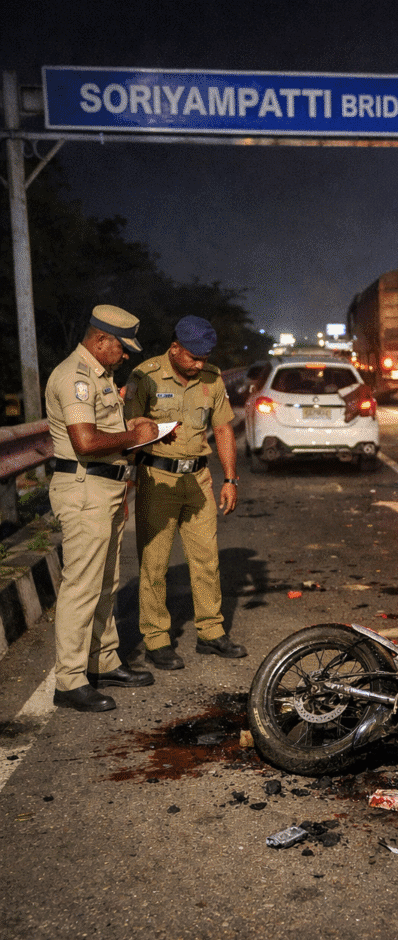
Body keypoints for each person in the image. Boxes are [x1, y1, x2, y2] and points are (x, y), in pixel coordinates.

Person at [45, 305, 159, 712]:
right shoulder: (75, 377)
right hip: (83, 489)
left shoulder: (101, 376)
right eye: (121, 347)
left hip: (106, 488)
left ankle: (103, 659)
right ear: (100, 341)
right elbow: (86, 443)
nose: (126, 355)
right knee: (82, 587)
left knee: (107, 582)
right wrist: (135, 435)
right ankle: (70, 680)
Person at [124, 316, 247, 669]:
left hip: (198, 480)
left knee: (207, 559)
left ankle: (211, 632)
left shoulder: (211, 377)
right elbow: (129, 429)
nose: (199, 365)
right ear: (174, 348)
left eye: (204, 358)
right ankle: (157, 639)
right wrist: (127, 482)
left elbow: (223, 428)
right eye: (193, 357)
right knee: (155, 563)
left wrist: (231, 479)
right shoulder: (144, 375)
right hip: (157, 479)